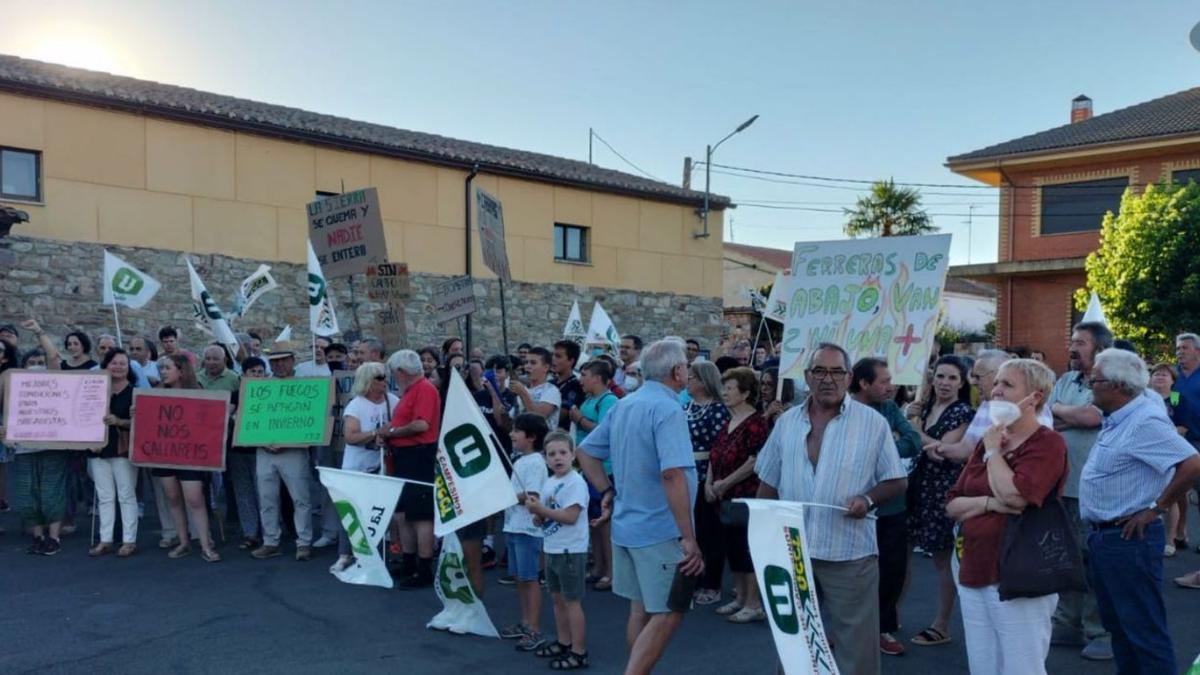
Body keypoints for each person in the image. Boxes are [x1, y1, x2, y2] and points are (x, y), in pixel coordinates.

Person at [754, 343, 907, 675]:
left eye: (837, 371)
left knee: (857, 648)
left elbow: (896, 480)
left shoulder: (872, 423)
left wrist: (866, 500)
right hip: (794, 551)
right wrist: (764, 537)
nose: (828, 378)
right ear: (807, 376)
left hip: (849, 552)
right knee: (794, 642)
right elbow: (768, 482)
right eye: (820, 371)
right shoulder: (787, 423)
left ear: (849, 377)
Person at [577, 339, 703, 675]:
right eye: (686, 367)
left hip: (628, 526)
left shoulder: (623, 405)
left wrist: (606, 490)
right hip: (659, 529)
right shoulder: (668, 409)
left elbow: (586, 452)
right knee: (669, 610)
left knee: (641, 610)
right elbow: (673, 473)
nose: (687, 372)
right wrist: (688, 537)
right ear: (677, 371)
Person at [1075, 350, 1200, 673]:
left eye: (1096, 380)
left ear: (1118, 386)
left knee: (1143, 632)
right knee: (1120, 629)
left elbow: (1193, 463)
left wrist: (1155, 509)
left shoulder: (1143, 419)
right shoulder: (1126, 411)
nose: (1091, 385)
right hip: (1109, 537)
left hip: (1129, 539)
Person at [945, 358, 1069, 675]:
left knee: (1021, 667)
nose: (995, 391)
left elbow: (1016, 497)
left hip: (1021, 574)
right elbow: (953, 505)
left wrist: (993, 453)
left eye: (1007, 385)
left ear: (1036, 397)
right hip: (974, 568)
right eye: (996, 382)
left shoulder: (1047, 442)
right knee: (983, 667)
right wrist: (989, 502)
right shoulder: (991, 437)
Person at [1046, 322, 1113, 661]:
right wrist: (1072, 415)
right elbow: (1049, 416)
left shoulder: (1110, 383)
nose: (1072, 347)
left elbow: (1093, 416)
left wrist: (1066, 413)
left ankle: (1100, 630)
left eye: (1080, 343)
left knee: (1095, 561)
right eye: (1071, 341)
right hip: (1063, 486)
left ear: (1099, 349)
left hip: (1096, 489)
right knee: (1067, 558)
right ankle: (1067, 623)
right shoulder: (1065, 379)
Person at [849, 357, 923, 656]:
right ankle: (845, 628)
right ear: (864, 383)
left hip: (891, 506)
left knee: (891, 571)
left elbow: (913, 441)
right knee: (849, 573)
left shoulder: (890, 409)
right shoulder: (844, 411)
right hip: (853, 507)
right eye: (884, 381)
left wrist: (880, 448)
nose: (891, 387)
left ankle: (883, 628)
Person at [904, 354, 974, 648]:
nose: (945, 382)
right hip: (915, 486)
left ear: (962, 383)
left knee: (942, 559)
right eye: (940, 376)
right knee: (902, 553)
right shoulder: (922, 408)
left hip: (943, 490)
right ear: (931, 378)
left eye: (952, 377)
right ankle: (889, 614)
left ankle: (942, 624)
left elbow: (942, 449)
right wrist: (912, 420)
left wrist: (910, 426)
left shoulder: (963, 413)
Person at [706, 367, 768, 623]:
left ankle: (753, 603)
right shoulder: (727, 421)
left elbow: (755, 460)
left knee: (746, 548)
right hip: (725, 496)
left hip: (746, 495)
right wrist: (709, 483)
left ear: (745, 393)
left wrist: (724, 483)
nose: (724, 393)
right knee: (733, 548)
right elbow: (715, 453)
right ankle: (740, 597)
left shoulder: (756, 423)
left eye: (730, 388)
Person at [525, 431, 591, 669]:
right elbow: (548, 515)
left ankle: (579, 651)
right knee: (557, 599)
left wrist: (542, 511)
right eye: (552, 454)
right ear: (545, 458)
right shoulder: (550, 483)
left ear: (573, 455)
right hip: (552, 548)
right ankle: (564, 642)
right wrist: (538, 517)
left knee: (572, 601)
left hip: (570, 550)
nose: (558, 458)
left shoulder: (575, 482)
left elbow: (570, 516)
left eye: (563, 452)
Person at [329, 361, 399, 574]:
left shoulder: (393, 401)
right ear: (367, 381)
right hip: (356, 467)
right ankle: (344, 555)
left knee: (376, 513)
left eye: (385, 377)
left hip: (381, 467)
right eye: (379, 378)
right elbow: (350, 436)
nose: (385, 381)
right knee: (350, 512)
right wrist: (375, 434)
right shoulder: (356, 405)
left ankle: (372, 557)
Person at [380, 349, 441, 588]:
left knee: (421, 515)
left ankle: (424, 568)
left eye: (395, 373)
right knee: (403, 513)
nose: (394, 378)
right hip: (405, 456)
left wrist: (392, 432)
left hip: (419, 455)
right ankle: (409, 562)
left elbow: (421, 424)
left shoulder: (424, 389)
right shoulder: (412, 391)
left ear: (402, 372)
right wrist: (389, 433)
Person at [152, 354, 221, 562]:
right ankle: (183, 542)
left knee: (194, 499)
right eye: (161, 368)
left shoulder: (197, 393)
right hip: (164, 454)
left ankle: (206, 544)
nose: (163, 372)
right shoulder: (154, 395)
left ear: (181, 370)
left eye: (167, 368)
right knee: (173, 498)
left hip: (191, 455)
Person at [250, 349, 315, 562]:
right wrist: (262, 441)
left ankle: (304, 542)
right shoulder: (260, 388)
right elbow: (250, 419)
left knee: (300, 498)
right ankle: (271, 541)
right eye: (274, 361)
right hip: (265, 450)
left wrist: (290, 440)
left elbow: (310, 419)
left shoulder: (305, 387)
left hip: (294, 451)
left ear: (293, 360)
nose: (279, 364)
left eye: (283, 360)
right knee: (267, 498)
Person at [499, 413, 550, 651]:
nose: (512, 434)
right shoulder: (520, 460)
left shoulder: (536, 463)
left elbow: (533, 495)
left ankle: (534, 628)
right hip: (513, 526)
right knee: (520, 578)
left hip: (527, 530)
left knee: (530, 579)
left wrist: (504, 498)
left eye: (517, 431)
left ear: (531, 437)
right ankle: (525, 621)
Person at [684, 360, 731, 605]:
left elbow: (719, 448)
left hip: (707, 475)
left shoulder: (717, 410)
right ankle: (694, 577)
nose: (687, 380)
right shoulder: (687, 407)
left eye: (692, 377)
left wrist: (713, 480)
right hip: (687, 476)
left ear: (703, 381)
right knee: (692, 531)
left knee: (710, 532)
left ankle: (711, 582)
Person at [571, 360, 619, 590]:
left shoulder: (608, 401)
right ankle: (599, 567)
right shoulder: (589, 399)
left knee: (606, 522)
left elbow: (605, 431)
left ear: (598, 378)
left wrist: (579, 419)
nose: (581, 379)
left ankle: (611, 571)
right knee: (595, 522)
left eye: (585, 374)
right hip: (586, 467)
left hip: (604, 468)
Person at [87, 348, 139, 557]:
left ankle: (129, 540)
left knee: (126, 495)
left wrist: (120, 421)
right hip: (98, 449)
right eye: (113, 363)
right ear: (105, 365)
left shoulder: (135, 392)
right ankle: (105, 539)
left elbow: (140, 424)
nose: (117, 367)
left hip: (123, 449)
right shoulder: (94, 390)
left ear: (128, 368)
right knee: (105, 497)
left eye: (122, 363)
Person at [229, 357, 265, 550]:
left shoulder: (270, 394)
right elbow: (226, 416)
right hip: (239, 450)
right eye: (253, 372)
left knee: (263, 493)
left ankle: (268, 532)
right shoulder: (235, 395)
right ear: (244, 375)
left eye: (260, 372)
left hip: (262, 450)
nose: (257, 376)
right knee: (244, 492)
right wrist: (232, 416)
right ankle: (250, 533)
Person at [510, 346, 561, 429]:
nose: (527, 366)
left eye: (533, 363)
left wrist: (523, 394)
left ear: (546, 367)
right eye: (526, 362)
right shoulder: (522, 389)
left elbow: (538, 419)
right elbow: (511, 423)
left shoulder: (552, 391)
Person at [552, 340, 583, 431]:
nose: (553, 359)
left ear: (571, 361)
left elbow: (559, 416)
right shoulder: (550, 383)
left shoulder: (576, 386)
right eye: (552, 355)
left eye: (558, 356)